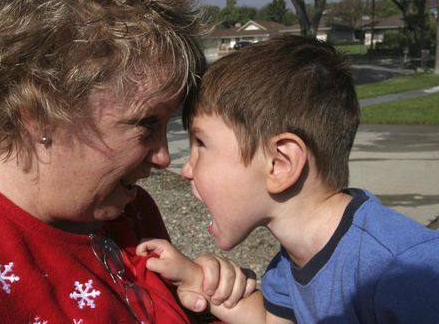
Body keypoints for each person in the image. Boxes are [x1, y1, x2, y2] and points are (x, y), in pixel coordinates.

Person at [0, 0, 256, 322]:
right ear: (39, 112)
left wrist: (211, 300)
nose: (164, 157)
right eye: (146, 123)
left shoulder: (130, 208)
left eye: (166, 123)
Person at [137, 35, 439, 323]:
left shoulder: (403, 269)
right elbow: (270, 319)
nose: (186, 169)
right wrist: (195, 277)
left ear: (279, 164)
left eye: (201, 144)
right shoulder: (289, 264)